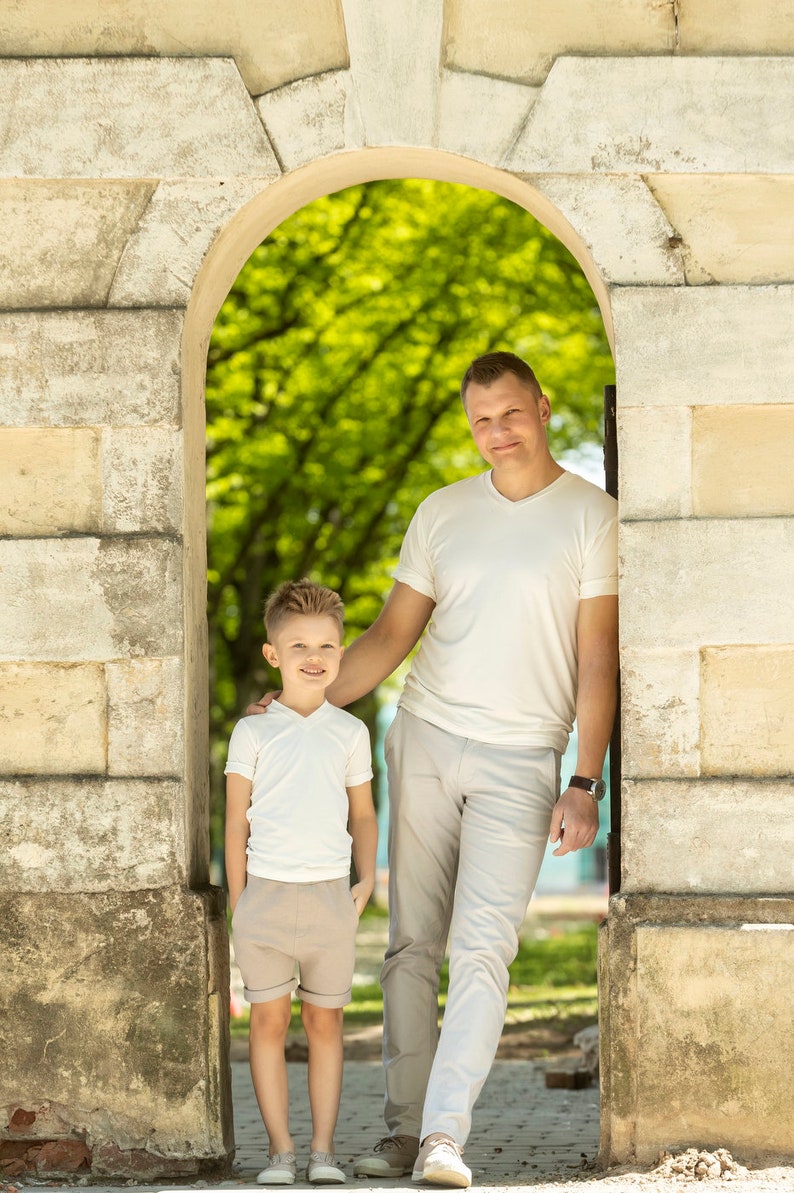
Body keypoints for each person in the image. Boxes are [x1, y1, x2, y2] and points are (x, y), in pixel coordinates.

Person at [248, 351, 618, 1187]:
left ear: (542, 406)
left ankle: (447, 1137)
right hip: (423, 737)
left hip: (523, 757)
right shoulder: (443, 512)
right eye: (482, 419)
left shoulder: (594, 516)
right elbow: (386, 639)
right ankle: (404, 1131)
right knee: (411, 944)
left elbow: (599, 661)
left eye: (512, 413)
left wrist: (584, 779)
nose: (498, 432)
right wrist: (294, 702)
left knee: (484, 949)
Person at [226, 579, 378, 1187]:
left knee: (326, 1024)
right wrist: (239, 897)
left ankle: (322, 1152)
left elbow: (362, 815)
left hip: (328, 901)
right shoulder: (252, 731)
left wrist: (365, 881)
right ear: (273, 655)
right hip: (264, 895)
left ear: (341, 654)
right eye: (298, 646)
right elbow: (235, 817)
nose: (313, 656)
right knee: (267, 1022)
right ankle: (281, 1153)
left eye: (326, 646)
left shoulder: (351, 733)